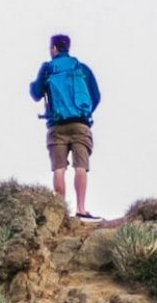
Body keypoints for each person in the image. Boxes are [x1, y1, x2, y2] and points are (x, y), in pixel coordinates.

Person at [29, 34, 102, 219]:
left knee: (59, 168)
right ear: (68, 48)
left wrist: (35, 84)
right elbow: (96, 95)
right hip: (80, 124)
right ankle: (81, 209)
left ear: (53, 49)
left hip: (57, 126)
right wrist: (84, 113)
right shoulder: (82, 69)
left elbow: (36, 94)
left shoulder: (47, 68)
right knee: (81, 167)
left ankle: (60, 211)